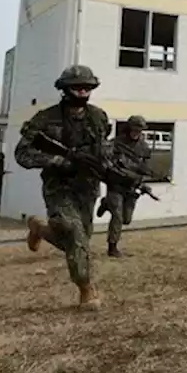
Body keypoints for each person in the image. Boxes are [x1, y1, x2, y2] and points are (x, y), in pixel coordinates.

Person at [14, 65, 111, 310]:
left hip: (87, 186)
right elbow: (22, 153)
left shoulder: (98, 117)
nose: (82, 91)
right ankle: (86, 289)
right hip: (59, 186)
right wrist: (55, 161)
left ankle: (40, 229)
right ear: (65, 89)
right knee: (74, 232)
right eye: (76, 87)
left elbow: (103, 147)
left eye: (87, 87)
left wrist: (107, 164)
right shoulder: (45, 119)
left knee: (80, 240)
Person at [98, 115, 153, 258]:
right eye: (134, 128)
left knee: (126, 219)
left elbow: (145, 168)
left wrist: (143, 182)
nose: (137, 132)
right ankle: (112, 247)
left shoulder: (144, 147)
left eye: (140, 129)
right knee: (117, 217)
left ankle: (106, 203)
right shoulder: (117, 143)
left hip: (131, 187)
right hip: (115, 185)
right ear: (129, 128)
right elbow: (104, 157)